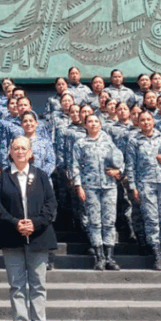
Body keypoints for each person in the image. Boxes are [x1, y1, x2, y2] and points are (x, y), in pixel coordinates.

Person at [0, 135, 57, 321]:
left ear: (30, 152)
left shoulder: (41, 175)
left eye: (24, 148)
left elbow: (51, 204)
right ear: (10, 152)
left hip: (38, 238)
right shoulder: (3, 177)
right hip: (12, 238)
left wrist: (35, 224)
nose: (20, 151)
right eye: (16, 148)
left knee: (38, 286)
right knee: (17, 286)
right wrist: (15, 223)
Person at [127, 110, 161, 271]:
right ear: (138, 122)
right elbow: (131, 166)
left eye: (148, 119)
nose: (145, 122)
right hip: (145, 184)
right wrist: (133, 187)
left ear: (153, 121)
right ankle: (157, 257)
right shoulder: (134, 140)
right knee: (151, 220)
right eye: (142, 120)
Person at [72, 113, 124, 271]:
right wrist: (78, 186)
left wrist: (118, 171)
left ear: (100, 125)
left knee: (109, 222)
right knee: (94, 223)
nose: (93, 124)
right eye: (90, 122)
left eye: (96, 121)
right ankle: (99, 257)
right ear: (85, 125)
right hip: (90, 187)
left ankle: (109, 257)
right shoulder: (80, 144)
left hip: (109, 186)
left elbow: (120, 161)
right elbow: (75, 166)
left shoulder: (108, 142)